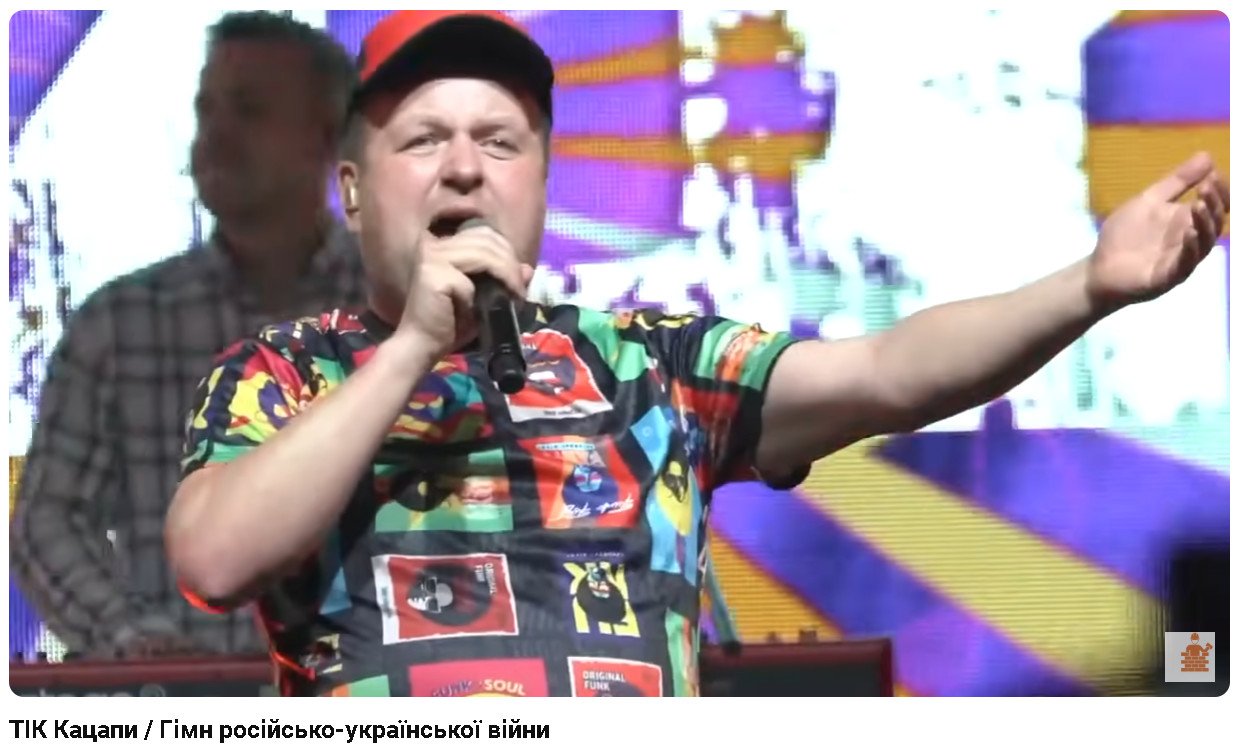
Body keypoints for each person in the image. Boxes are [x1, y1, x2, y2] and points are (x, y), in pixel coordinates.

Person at [165, 9, 1229, 697]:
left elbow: (886, 372)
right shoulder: (284, 371)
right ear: (352, 193)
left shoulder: (645, 362)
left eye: (498, 141)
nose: (463, 168)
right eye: (421, 139)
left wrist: (1087, 287)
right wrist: (409, 353)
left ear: (539, 185)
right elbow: (212, 560)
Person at [11, 11, 368, 660]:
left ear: (324, 139)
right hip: (179, 697)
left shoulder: (401, 317)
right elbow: (47, 521)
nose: (215, 133)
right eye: (208, 109)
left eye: (249, 110)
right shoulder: (119, 325)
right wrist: (129, 639)